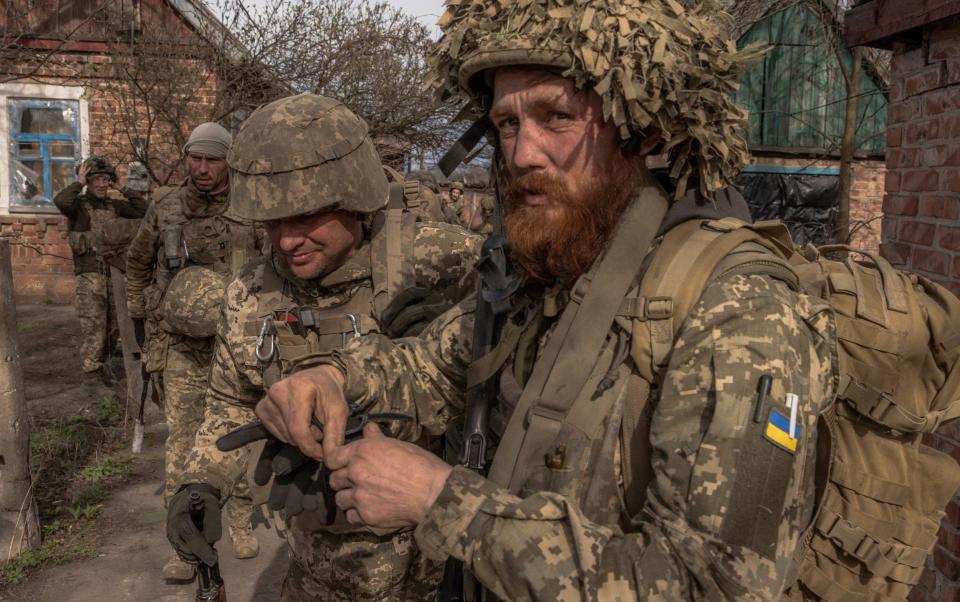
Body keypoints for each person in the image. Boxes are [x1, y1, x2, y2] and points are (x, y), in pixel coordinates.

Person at [252, 1, 839, 600]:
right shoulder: (547, 268)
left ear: (643, 131)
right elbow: (432, 367)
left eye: (556, 116)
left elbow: (712, 583)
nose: (523, 154)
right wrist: (330, 378)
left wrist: (441, 500)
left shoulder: (736, 309)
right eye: (507, 124)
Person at [164, 94, 482, 600]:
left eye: (305, 217)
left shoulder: (447, 263)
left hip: (438, 568)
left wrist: (454, 346)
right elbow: (230, 402)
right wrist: (201, 481)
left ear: (354, 199)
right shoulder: (250, 293)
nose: (287, 241)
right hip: (317, 569)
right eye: (272, 222)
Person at [125, 122, 261, 581]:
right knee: (182, 445)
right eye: (195, 159)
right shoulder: (166, 205)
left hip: (235, 347)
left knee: (235, 437)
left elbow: (275, 267)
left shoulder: (251, 203)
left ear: (229, 161)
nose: (202, 169)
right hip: (180, 346)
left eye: (212, 159)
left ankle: (240, 520)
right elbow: (138, 264)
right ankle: (184, 547)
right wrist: (146, 321)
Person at [54, 156, 148, 380]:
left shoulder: (115, 206)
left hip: (113, 275)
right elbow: (61, 201)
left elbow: (145, 210)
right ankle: (92, 374)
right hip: (89, 276)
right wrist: (79, 182)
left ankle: (104, 369)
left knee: (114, 325)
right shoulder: (78, 207)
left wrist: (123, 188)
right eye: (97, 179)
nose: (102, 184)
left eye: (106, 179)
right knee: (94, 325)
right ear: (88, 181)